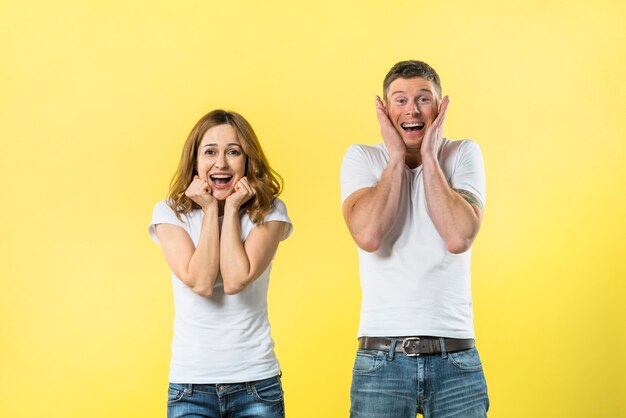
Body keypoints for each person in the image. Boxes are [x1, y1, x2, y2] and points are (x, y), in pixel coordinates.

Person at [340, 60, 489, 417]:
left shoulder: (462, 153)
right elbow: (369, 235)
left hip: (455, 359)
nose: (412, 109)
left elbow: (457, 237)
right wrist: (395, 158)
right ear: (386, 110)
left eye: (423, 99)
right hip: (381, 361)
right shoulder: (363, 157)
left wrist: (428, 156)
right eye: (401, 100)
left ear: (439, 107)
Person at [149, 109, 292, 418]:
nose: (221, 163)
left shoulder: (270, 212)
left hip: (256, 383)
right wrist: (211, 208)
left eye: (233, 152)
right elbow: (200, 282)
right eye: (210, 151)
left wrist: (234, 206)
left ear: (247, 160)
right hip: (191, 386)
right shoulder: (170, 213)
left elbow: (235, 280)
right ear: (195, 161)